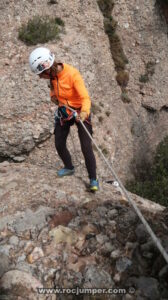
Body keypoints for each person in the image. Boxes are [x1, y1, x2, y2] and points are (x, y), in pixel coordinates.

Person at [29, 47, 99, 191]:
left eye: (41, 74)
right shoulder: (53, 77)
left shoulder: (72, 74)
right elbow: (54, 90)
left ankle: (93, 179)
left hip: (80, 110)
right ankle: (69, 167)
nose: (40, 77)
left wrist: (84, 113)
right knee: (59, 143)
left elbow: (85, 97)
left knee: (86, 147)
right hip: (65, 111)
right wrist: (54, 98)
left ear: (47, 68)